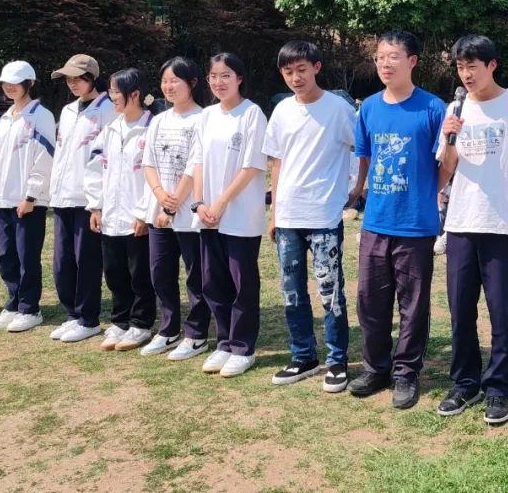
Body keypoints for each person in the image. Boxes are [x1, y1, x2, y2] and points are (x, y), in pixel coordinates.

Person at [437, 34, 508, 426]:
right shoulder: (455, 108)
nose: (466, 75)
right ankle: (465, 382)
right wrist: (449, 139)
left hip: (501, 224)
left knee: (501, 310)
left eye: (472, 67)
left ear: (492, 65)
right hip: (461, 222)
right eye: (461, 67)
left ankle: (497, 387)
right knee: (460, 309)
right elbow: (446, 170)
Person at [348, 30, 446, 409]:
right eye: (380, 57)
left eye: (393, 56)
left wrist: (429, 193)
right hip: (376, 221)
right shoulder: (369, 108)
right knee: (370, 301)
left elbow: (444, 164)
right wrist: (357, 195)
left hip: (415, 224)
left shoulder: (433, 108)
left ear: (412, 61)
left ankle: (406, 372)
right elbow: (365, 157)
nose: (385, 64)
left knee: (413, 304)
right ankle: (376, 368)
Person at [263, 41, 356, 393]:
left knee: (330, 292)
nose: (295, 78)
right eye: (288, 72)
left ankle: (337, 360)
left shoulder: (338, 109)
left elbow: (360, 149)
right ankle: (303, 356)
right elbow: (277, 162)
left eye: (301, 69)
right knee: (292, 292)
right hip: (288, 216)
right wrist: (275, 212)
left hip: (324, 215)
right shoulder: (282, 110)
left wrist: (355, 190)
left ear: (317, 67)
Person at [188, 53, 268, 378]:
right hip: (208, 215)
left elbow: (252, 166)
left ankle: (243, 347)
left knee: (241, 283)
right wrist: (199, 203)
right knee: (213, 281)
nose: (219, 82)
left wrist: (220, 202)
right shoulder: (206, 116)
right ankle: (224, 342)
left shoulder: (252, 114)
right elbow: (197, 162)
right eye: (213, 76)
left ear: (239, 78)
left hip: (240, 216)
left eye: (226, 76)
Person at [141, 57, 211, 361]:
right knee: (160, 272)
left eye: (175, 81)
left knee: (196, 276)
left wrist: (173, 204)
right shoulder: (158, 120)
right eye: (164, 81)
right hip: (159, 210)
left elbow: (197, 165)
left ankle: (197, 334)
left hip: (189, 214)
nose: (168, 87)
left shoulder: (203, 119)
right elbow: (148, 163)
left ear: (192, 83)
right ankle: (168, 329)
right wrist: (160, 196)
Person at [85, 68, 157, 352]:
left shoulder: (152, 128)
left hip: (138, 216)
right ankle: (120, 321)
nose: (111, 97)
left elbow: (156, 177)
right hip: (110, 215)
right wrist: (96, 206)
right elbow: (94, 169)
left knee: (140, 273)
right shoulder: (110, 129)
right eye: (111, 91)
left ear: (135, 94)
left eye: (116, 92)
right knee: (114, 272)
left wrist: (143, 212)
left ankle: (141, 323)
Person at [0, 60, 56, 333]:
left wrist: (31, 195)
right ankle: (13, 303)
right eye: (5, 83)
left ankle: (29, 308)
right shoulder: (5, 118)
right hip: (1, 198)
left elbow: (45, 158)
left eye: (15, 83)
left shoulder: (41, 115)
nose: (9, 87)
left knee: (27, 256)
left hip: (26, 201)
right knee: (6, 256)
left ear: (30, 83)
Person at [48, 54, 115, 344]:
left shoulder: (108, 109)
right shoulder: (67, 110)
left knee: (86, 259)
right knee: (62, 261)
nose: (72, 83)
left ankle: (88, 318)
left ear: (92, 78)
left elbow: (108, 157)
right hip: (62, 196)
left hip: (88, 198)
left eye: (78, 78)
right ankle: (73, 314)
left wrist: (98, 200)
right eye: (68, 79)